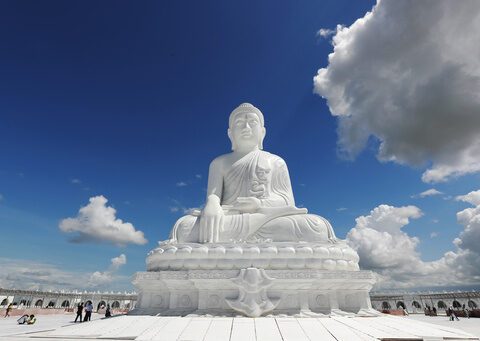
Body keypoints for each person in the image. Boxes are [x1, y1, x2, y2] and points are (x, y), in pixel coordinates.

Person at [169, 103, 338, 244]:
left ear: (262, 132)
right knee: (185, 227)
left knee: (315, 226)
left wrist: (257, 204)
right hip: (229, 218)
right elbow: (213, 197)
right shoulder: (219, 163)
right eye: (239, 123)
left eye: (252, 123)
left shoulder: (276, 161)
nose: (246, 127)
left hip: (266, 218)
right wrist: (212, 207)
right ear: (230, 133)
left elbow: (287, 200)